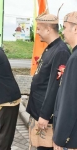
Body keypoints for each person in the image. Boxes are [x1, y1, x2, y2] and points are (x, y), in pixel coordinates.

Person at [26, 12, 70, 150]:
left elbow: (55, 86)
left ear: (48, 29)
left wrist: (45, 114)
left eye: (39, 29)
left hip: (46, 117)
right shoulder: (51, 47)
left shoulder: (61, 51)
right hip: (38, 111)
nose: (37, 32)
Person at [53, 11, 77, 150]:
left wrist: (60, 138)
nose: (62, 31)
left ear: (75, 29)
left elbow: (70, 102)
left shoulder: (75, 59)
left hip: (71, 137)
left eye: (65, 27)